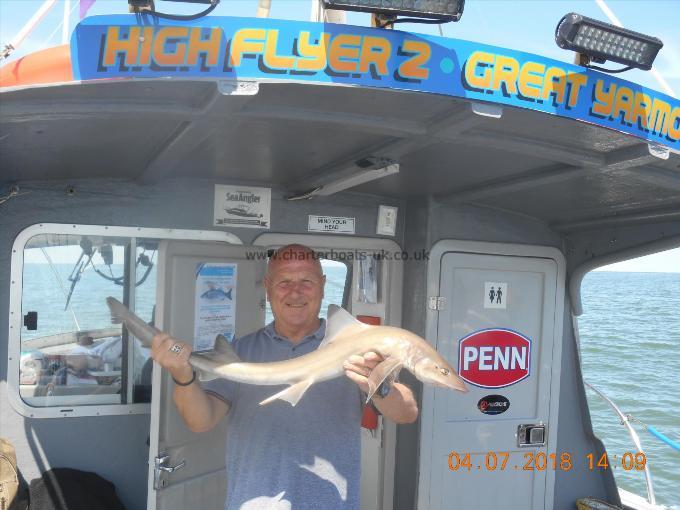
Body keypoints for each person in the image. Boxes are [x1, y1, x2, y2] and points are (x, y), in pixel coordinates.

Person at [151, 244, 418, 510]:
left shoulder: (358, 350)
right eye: (284, 282)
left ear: (323, 285)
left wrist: (381, 386)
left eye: (306, 281)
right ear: (267, 287)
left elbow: (406, 413)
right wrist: (183, 376)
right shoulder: (242, 352)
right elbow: (201, 421)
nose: (295, 292)